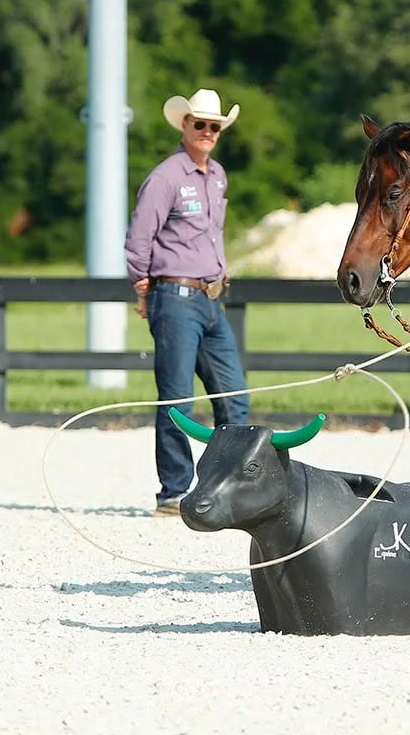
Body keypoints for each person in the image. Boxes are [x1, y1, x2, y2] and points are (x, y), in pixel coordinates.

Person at [125, 87, 250, 515]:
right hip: (174, 295)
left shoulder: (216, 176)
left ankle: (229, 483)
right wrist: (144, 288)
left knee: (234, 395)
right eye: (200, 123)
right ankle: (174, 490)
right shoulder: (166, 178)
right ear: (185, 125)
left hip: (210, 298)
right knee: (178, 399)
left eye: (214, 126)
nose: (208, 131)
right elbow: (139, 239)